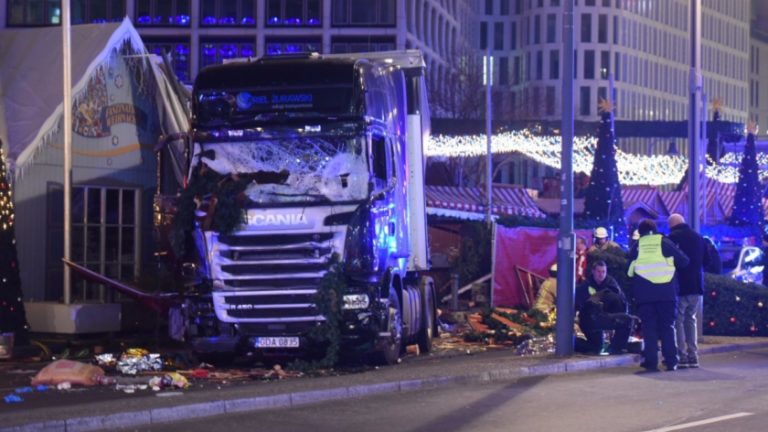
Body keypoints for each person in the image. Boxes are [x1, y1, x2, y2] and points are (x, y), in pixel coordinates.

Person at [627, 219, 689, 372]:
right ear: (654, 230)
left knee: (649, 328)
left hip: (645, 295)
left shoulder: (637, 246)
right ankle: (671, 361)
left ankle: (651, 362)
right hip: (666, 293)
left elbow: (628, 269)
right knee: (668, 327)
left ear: (640, 233)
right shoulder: (665, 243)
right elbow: (684, 261)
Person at [667, 213, 709, 368]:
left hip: (680, 285)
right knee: (691, 319)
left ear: (671, 225)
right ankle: (694, 355)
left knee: (678, 320)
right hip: (697, 285)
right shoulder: (699, 238)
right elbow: (707, 261)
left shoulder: (673, 237)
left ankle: (682, 355)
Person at [575, 260, 635, 354]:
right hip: (591, 319)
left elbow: (621, 303)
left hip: (606, 317)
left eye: (603, 272)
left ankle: (616, 348)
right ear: (593, 271)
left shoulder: (612, 286)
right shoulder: (586, 285)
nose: (601, 274)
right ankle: (573, 342)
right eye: (598, 271)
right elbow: (580, 305)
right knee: (596, 348)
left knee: (627, 320)